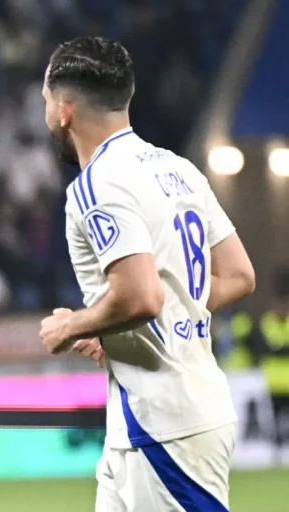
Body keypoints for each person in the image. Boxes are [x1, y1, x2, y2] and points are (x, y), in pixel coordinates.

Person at [38, 37, 255, 511]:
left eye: (45, 100)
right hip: (152, 418)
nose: (46, 113)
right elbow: (238, 276)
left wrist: (71, 325)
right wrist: (111, 324)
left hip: (165, 423)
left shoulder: (96, 184)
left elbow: (142, 298)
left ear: (65, 110)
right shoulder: (177, 168)